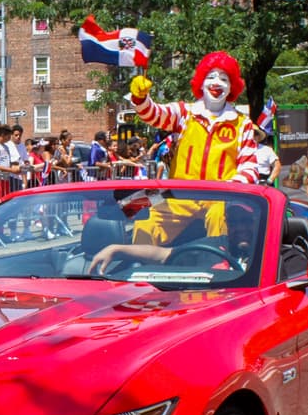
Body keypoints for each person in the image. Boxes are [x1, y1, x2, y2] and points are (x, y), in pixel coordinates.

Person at [128, 51, 259, 183]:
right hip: (181, 199)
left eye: (224, 79)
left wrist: (230, 189)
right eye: (211, 77)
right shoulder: (184, 112)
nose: (216, 83)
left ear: (231, 87)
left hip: (221, 201)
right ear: (201, 83)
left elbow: (250, 167)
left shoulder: (242, 124)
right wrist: (140, 98)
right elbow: (153, 114)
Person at [89, 199, 261, 275]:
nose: (241, 227)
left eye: (246, 221)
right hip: (189, 193)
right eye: (234, 222)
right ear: (228, 223)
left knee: (216, 212)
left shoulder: (271, 254)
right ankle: (142, 278)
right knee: (146, 221)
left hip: (223, 192)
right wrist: (116, 248)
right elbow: (163, 254)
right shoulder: (211, 246)